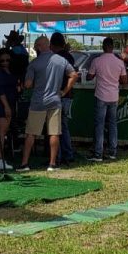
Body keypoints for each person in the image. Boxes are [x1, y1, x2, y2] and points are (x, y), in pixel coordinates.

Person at [17, 35, 76, 172]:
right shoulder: (61, 60)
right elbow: (74, 75)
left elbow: (28, 84)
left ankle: (24, 164)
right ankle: (52, 164)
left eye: (35, 47)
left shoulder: (34, 63)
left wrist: (24, 84)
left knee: (31, 133)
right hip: (55, 100)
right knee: (54, 133)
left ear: (39, 47)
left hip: (38, 102)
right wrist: (64, 91)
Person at [87, 37, 128, 162]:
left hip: (101, 96)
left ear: (103, 46)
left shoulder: (97, 61)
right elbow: (125, 81)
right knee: (112, 124)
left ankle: (98, 153)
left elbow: (89, 76)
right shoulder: (119, 62)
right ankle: (112, 152)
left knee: (99, 125)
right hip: (114, 96)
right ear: (112, 47)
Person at [50, 33, 78, 165]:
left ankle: (58, 156)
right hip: (67, 95)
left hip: (59, 94)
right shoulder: (70, 57)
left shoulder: (55, 57)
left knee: (56, 128)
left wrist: (63, 91)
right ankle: (68, 153)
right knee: (63, 126)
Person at [0, 48, 19, 170]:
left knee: (0, 133)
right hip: (2, 104)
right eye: (2, 61)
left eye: (7, 60)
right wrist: (6, 106)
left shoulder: (10, 72)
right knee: (1, 133)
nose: (5, 62)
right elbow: (1, 91)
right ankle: (0, 159)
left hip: (9, 102)